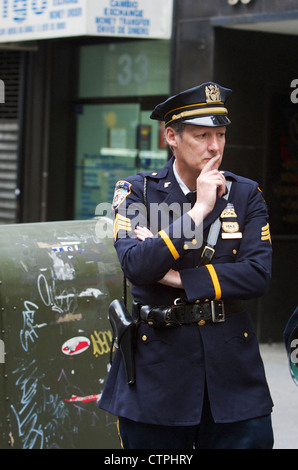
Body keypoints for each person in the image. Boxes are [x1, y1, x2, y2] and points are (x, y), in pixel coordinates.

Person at [98, 82, 274, 449]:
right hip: (158, 376)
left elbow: (257, 275)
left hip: (233, 375)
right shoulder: (137, 193)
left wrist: (180, 279)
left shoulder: (245, 193)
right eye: (202, 135)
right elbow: (136, 265)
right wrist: (198, 211)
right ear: (171, 137)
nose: (214, 146)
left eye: (221, 134)